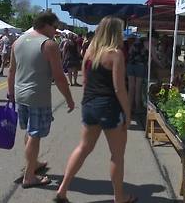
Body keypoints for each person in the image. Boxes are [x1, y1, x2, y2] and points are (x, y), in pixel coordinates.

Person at [56, 16, 136, 203]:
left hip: (90, 105)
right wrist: (127, 112)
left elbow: (85, 81)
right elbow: (119, 88)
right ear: (115, 32)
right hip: (110, 106)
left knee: (83, 147)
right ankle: (119, 197)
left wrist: (87, 102)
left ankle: (63, 189)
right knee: (117, 155)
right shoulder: (116, 54)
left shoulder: (90, 51)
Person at [7, 11, 75, 189]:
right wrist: (69, 98)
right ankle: (29, 176)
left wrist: (10, 93)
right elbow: (59, 77)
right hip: (37, 96)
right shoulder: (49, 45)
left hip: (20, 94)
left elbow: (11, 71)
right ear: (45, 25)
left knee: (30, 133)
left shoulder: (18, 42)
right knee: (35, 135)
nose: (56, 31)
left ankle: (34, 163)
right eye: (55, 27)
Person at [126, 37, 148, 114]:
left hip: (130, 65)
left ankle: (128, 108)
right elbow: (153, 57)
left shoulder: (134, 44)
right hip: (140, 66)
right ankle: (137, 108)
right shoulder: (147, 44)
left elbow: (129, 52)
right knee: (138, 88)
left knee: (131, 88)